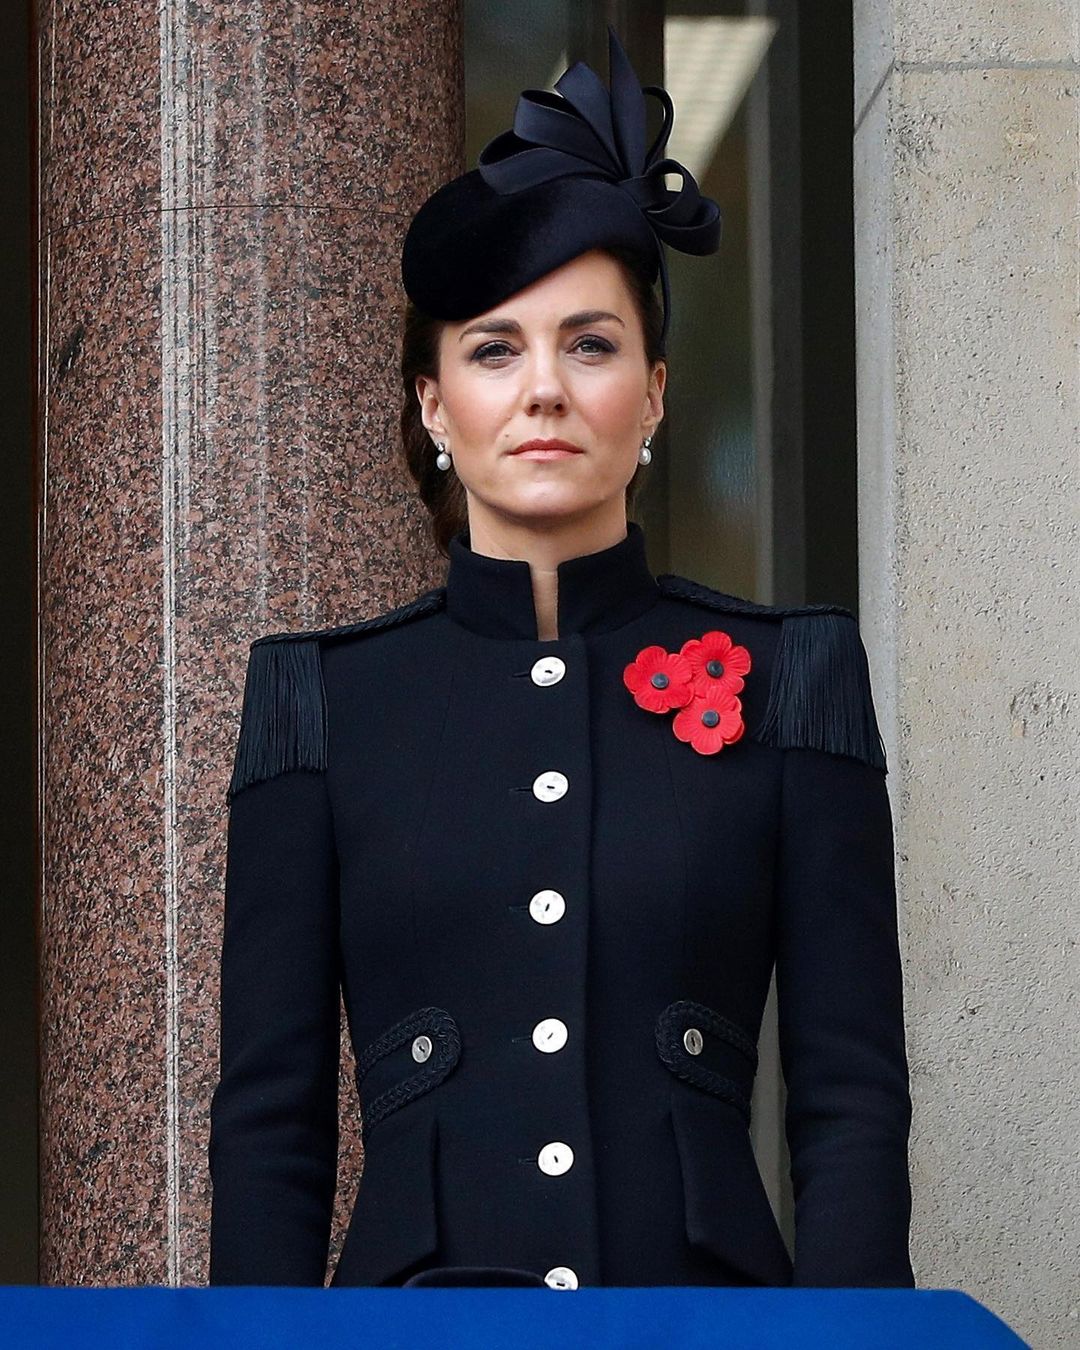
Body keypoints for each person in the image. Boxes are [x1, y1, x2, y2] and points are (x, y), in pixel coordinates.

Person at [208, 27, 915, 1291]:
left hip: (709, 1326)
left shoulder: (795, 678)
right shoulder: (320, 701)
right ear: (433, 407)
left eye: (588, 345)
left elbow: (849, 1104)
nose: (544, 390)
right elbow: (271, 1128)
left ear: (650, 394)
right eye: (494, 349)